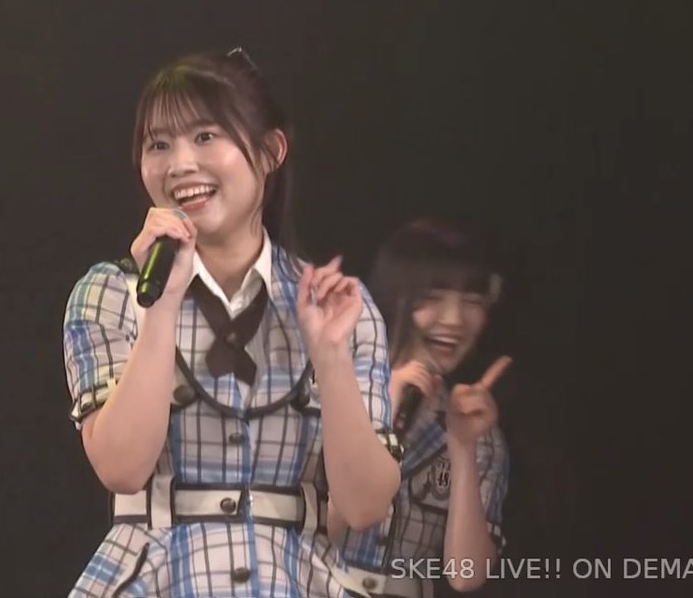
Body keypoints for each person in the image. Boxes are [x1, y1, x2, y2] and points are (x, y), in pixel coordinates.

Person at [61, 48, 402, 597]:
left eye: (205, 136)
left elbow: (365, 506)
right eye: (158, 145)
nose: (180, 165)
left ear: (270, 152)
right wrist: (161, 305)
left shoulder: (338, 306)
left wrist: (331, 356)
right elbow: (122, 468)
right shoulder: (111, 293)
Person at [329, 218, 511, 597]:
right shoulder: (330, 391)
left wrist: (463, 446)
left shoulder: (475, 427)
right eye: (433, 297)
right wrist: (380, 416)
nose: (454, 320)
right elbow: (301, 531)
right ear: (395, 297)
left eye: (472, 302)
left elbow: (465, 575)